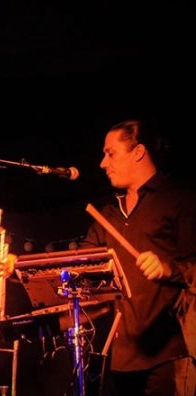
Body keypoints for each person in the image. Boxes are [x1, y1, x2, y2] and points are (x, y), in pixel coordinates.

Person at [80, 119, 196, 395]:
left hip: (169, 354)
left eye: (110, 153)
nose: (102, 163)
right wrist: (17, 265)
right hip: (120, 358)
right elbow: (78, 261)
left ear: (138, 152)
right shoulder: (108, 214)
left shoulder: (180, 200)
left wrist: (167, 268)